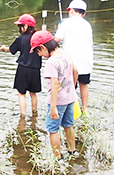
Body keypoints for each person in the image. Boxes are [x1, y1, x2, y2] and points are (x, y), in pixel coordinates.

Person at [30, 30, 78, 159]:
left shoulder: (51, 62)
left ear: (43, 47)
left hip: (58, 101)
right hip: (70, 98)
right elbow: (75, 72)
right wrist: (71, 88)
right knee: (68, 125)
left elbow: (55, 84)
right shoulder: (65, 54)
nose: (39, 55)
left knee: (53, 130)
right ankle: (72, 151)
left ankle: (58, 159)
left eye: (37, 52)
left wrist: (53, 107)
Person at [54, 0, 93, 112]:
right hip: (86, 59)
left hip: (72, 60)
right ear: (84, 13)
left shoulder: (66, 22)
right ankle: (84, 108)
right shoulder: (87, 24)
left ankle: (72, 108)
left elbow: (57, 39)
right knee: (84, 83)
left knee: (71, 85)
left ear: (71, 11)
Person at [0, 14, 41, 117]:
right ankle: (34, 114)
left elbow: (12, 49)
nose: (20, 29)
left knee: (21, 94)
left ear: (26, 26)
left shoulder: (21, 39)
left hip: (23, 68)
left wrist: (4, 48)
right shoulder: (38, 38)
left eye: (20, 26)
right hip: (36, 69)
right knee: (33, 93)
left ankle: (23, 116)